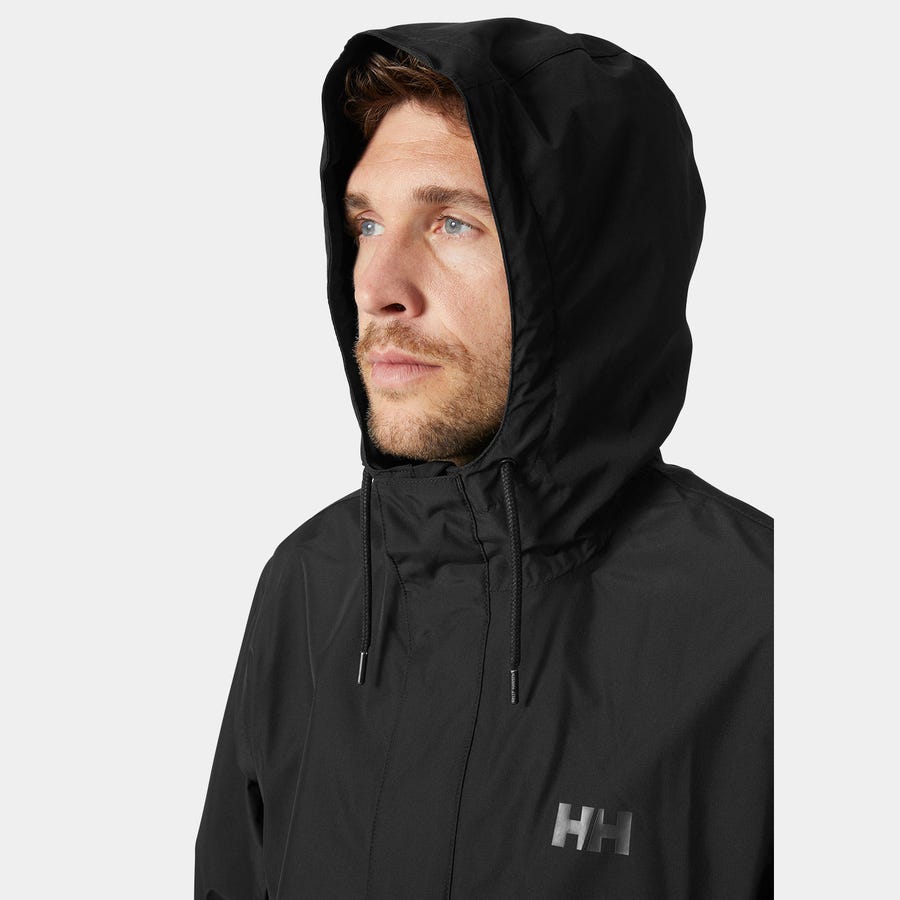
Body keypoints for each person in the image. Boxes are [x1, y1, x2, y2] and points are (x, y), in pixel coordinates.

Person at [195, 17, 773, 899]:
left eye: (453, 222)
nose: (376, 287)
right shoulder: (310, 585)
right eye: (366, 223)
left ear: (589, 269)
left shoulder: (767, 625)